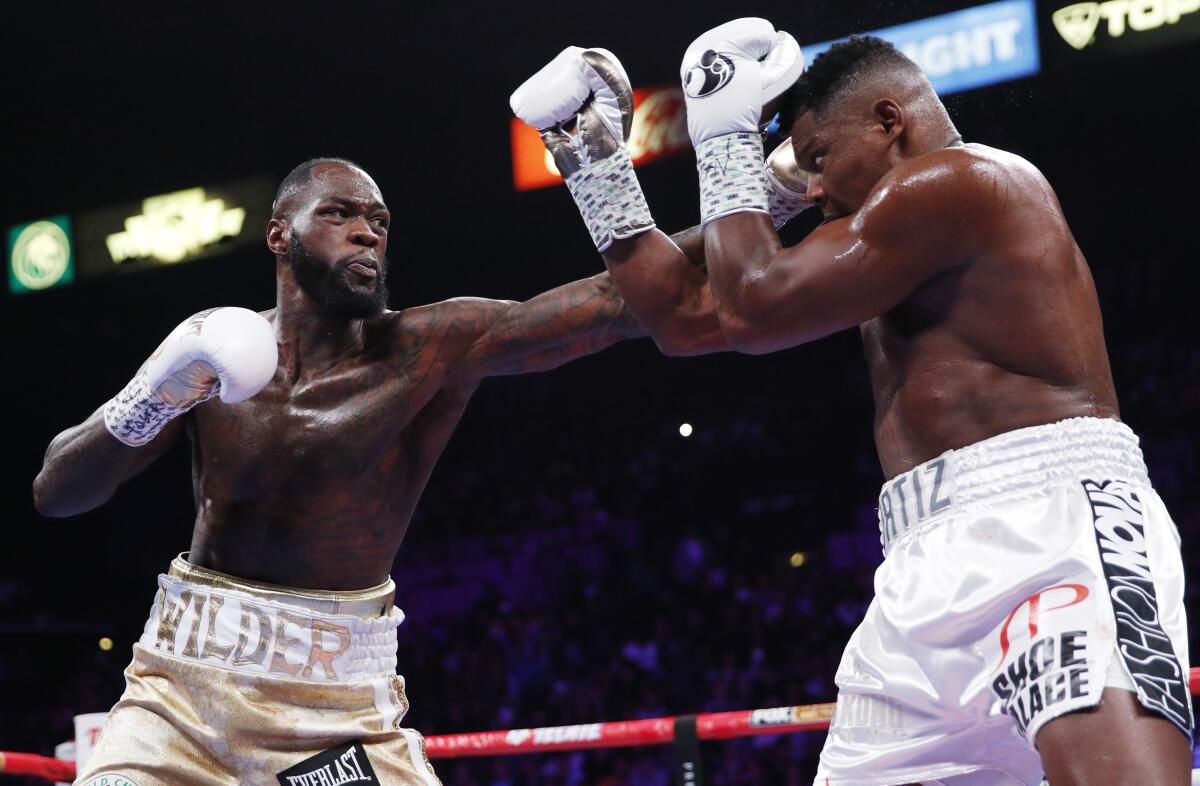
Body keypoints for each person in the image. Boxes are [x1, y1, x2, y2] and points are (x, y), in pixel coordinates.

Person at [511, 20, 1192, 786]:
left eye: (821, 159)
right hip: (921, 564)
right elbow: (683, 319)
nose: (818, 188)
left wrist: (727, 137)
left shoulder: (966, 182)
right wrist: (592, 154)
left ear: (889, 121)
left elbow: (752, 306)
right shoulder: (887, 228)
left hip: (1052, 528)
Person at [33, 157, 645, 786]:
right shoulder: (216, 357)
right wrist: (154, 395)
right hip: (177, 698)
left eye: (379, 220)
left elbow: (617, 302)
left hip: (337, 713)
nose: (367, 232)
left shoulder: (428, 347)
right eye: (339, 213)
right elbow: (56, 492)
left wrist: (729, 193)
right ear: (279, 235)